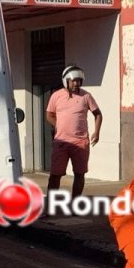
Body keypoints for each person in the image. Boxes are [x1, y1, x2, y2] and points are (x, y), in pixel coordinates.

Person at [45, 65, 102, 198]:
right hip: (61, 143)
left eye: (79, 81)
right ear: (66, 80)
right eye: (74, 80)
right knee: (55, 175)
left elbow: (98, 114)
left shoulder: (86, 96)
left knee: (79, 174)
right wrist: (58, 126)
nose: (77, 83)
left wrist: (97, 132)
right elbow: (49, 115)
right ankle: (50, 206)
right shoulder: (56, 96)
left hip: (80, 142)